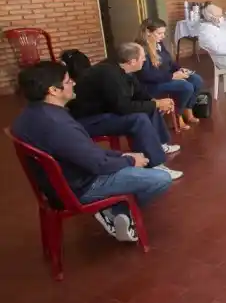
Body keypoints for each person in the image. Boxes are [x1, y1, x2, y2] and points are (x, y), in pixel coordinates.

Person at [11, 62, 174, 242]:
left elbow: (86, 151)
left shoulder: (29, 115)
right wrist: (130, 161)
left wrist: (121, 155)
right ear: (53, 91)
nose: (73, 82)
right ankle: (117, 212)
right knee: (160, 178)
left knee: (131, 163)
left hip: (58, 183)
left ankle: (116, 210)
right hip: (79, 188)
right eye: (67, 81)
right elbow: (98, 165)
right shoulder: (57, 125)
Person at [65, 43, 183, 180]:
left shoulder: (123, 68)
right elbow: (123, 107)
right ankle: (156, 165)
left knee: (150, 106)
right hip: (90, 119)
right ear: (132, 61)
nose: (145, 60)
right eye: (142, 58)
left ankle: (160, 144)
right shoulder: (109, 74)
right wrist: (155, 103)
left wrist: (156, 102)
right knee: (139, 118)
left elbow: (140, 94)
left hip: (107, 110)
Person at [136, 18, 204, 129]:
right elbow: (146, 75)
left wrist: (180, 69)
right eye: (159, 33)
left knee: (196, 79)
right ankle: (178, 115)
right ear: (148, 32)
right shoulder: (140, 49)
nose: (163, 36)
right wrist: (172, 76)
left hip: (165, 77)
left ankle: (188, 109)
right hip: (151, 84)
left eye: (164, 33)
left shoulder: (159, 44)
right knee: (185, 86)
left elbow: (170, 62)